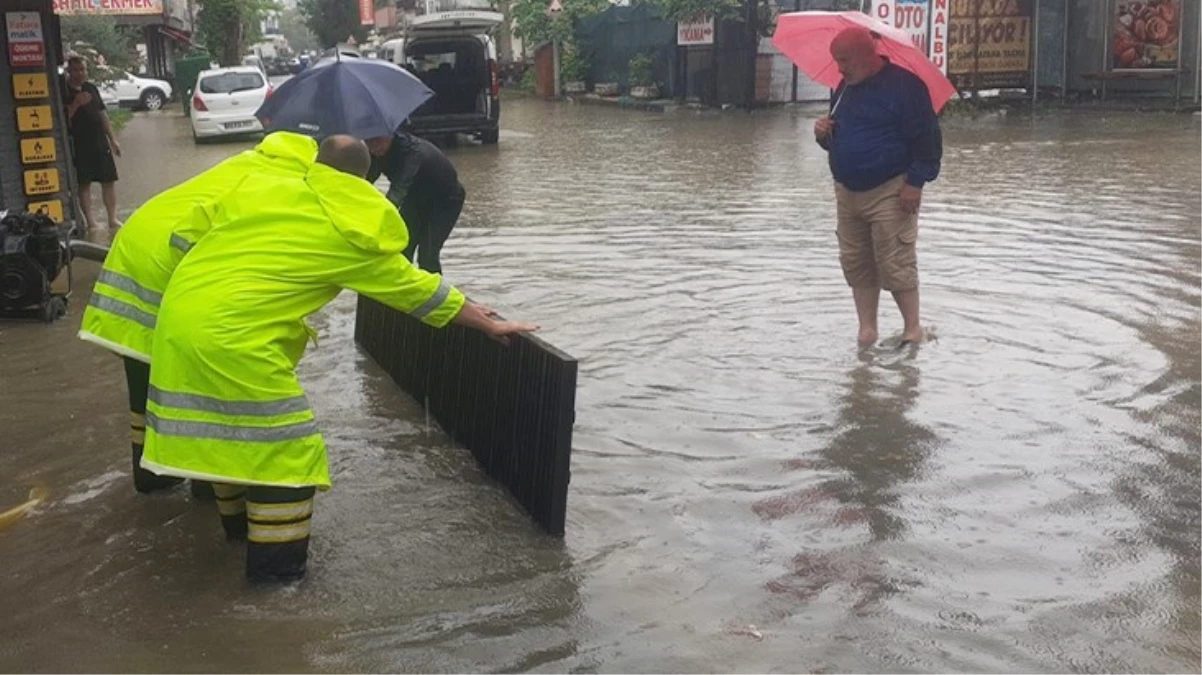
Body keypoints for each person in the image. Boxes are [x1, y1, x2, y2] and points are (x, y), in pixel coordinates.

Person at [140, 136, 537, 583]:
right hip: (234, 341)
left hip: (175, 321)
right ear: (362, 177)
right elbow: (415, 290)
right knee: (288, 455)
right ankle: (276, 586)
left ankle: (237, 539)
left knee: (230, 439)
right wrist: (487, 322)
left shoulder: (263, 188)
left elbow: (185, 232)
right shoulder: (348, 223)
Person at [78, 131, 321, 497]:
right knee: (194, 386)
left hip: (129, 268)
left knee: (146, 387)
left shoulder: (245, 164)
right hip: (163, 277)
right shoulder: (277, 185)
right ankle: (206, 481)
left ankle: (153, 477)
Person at [814, 27, 942, 347]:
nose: (839, 67)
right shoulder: (843, 87)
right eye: (836, 61)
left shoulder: (907, 87)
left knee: (894, 259)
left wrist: (916, 183)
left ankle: (912, 329)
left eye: (844, 60)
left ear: (867, 56)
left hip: (891, 188)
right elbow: (839, 139)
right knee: (856, 261)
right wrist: (822, 135)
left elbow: (928, 141)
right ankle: (867, 330)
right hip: (847, 191)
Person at [365, 130, 466, 274]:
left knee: (427, 255)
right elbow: (364, 183)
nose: (374, 147)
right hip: (415, 198)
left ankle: (436, 295)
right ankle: (402, 291)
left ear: (390, 135)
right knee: (401, 250)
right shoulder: (375, 152)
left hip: (445, 199)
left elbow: (398, 191)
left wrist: (380, 220)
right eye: (369, 142)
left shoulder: (412, 153)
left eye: (378, 141)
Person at [62, 55, 122, 230]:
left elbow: (102, 115)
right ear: (69, 71)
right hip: (80, 143)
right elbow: (63, 120)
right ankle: (91, 222)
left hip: (99, 141)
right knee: (84, 183)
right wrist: (76, 104)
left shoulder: (91, 88)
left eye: (83, 69)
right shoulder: (64, 91)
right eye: (76, 70)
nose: (80, 73)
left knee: (109, 180)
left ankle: (112, 218)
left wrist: (113, 139)